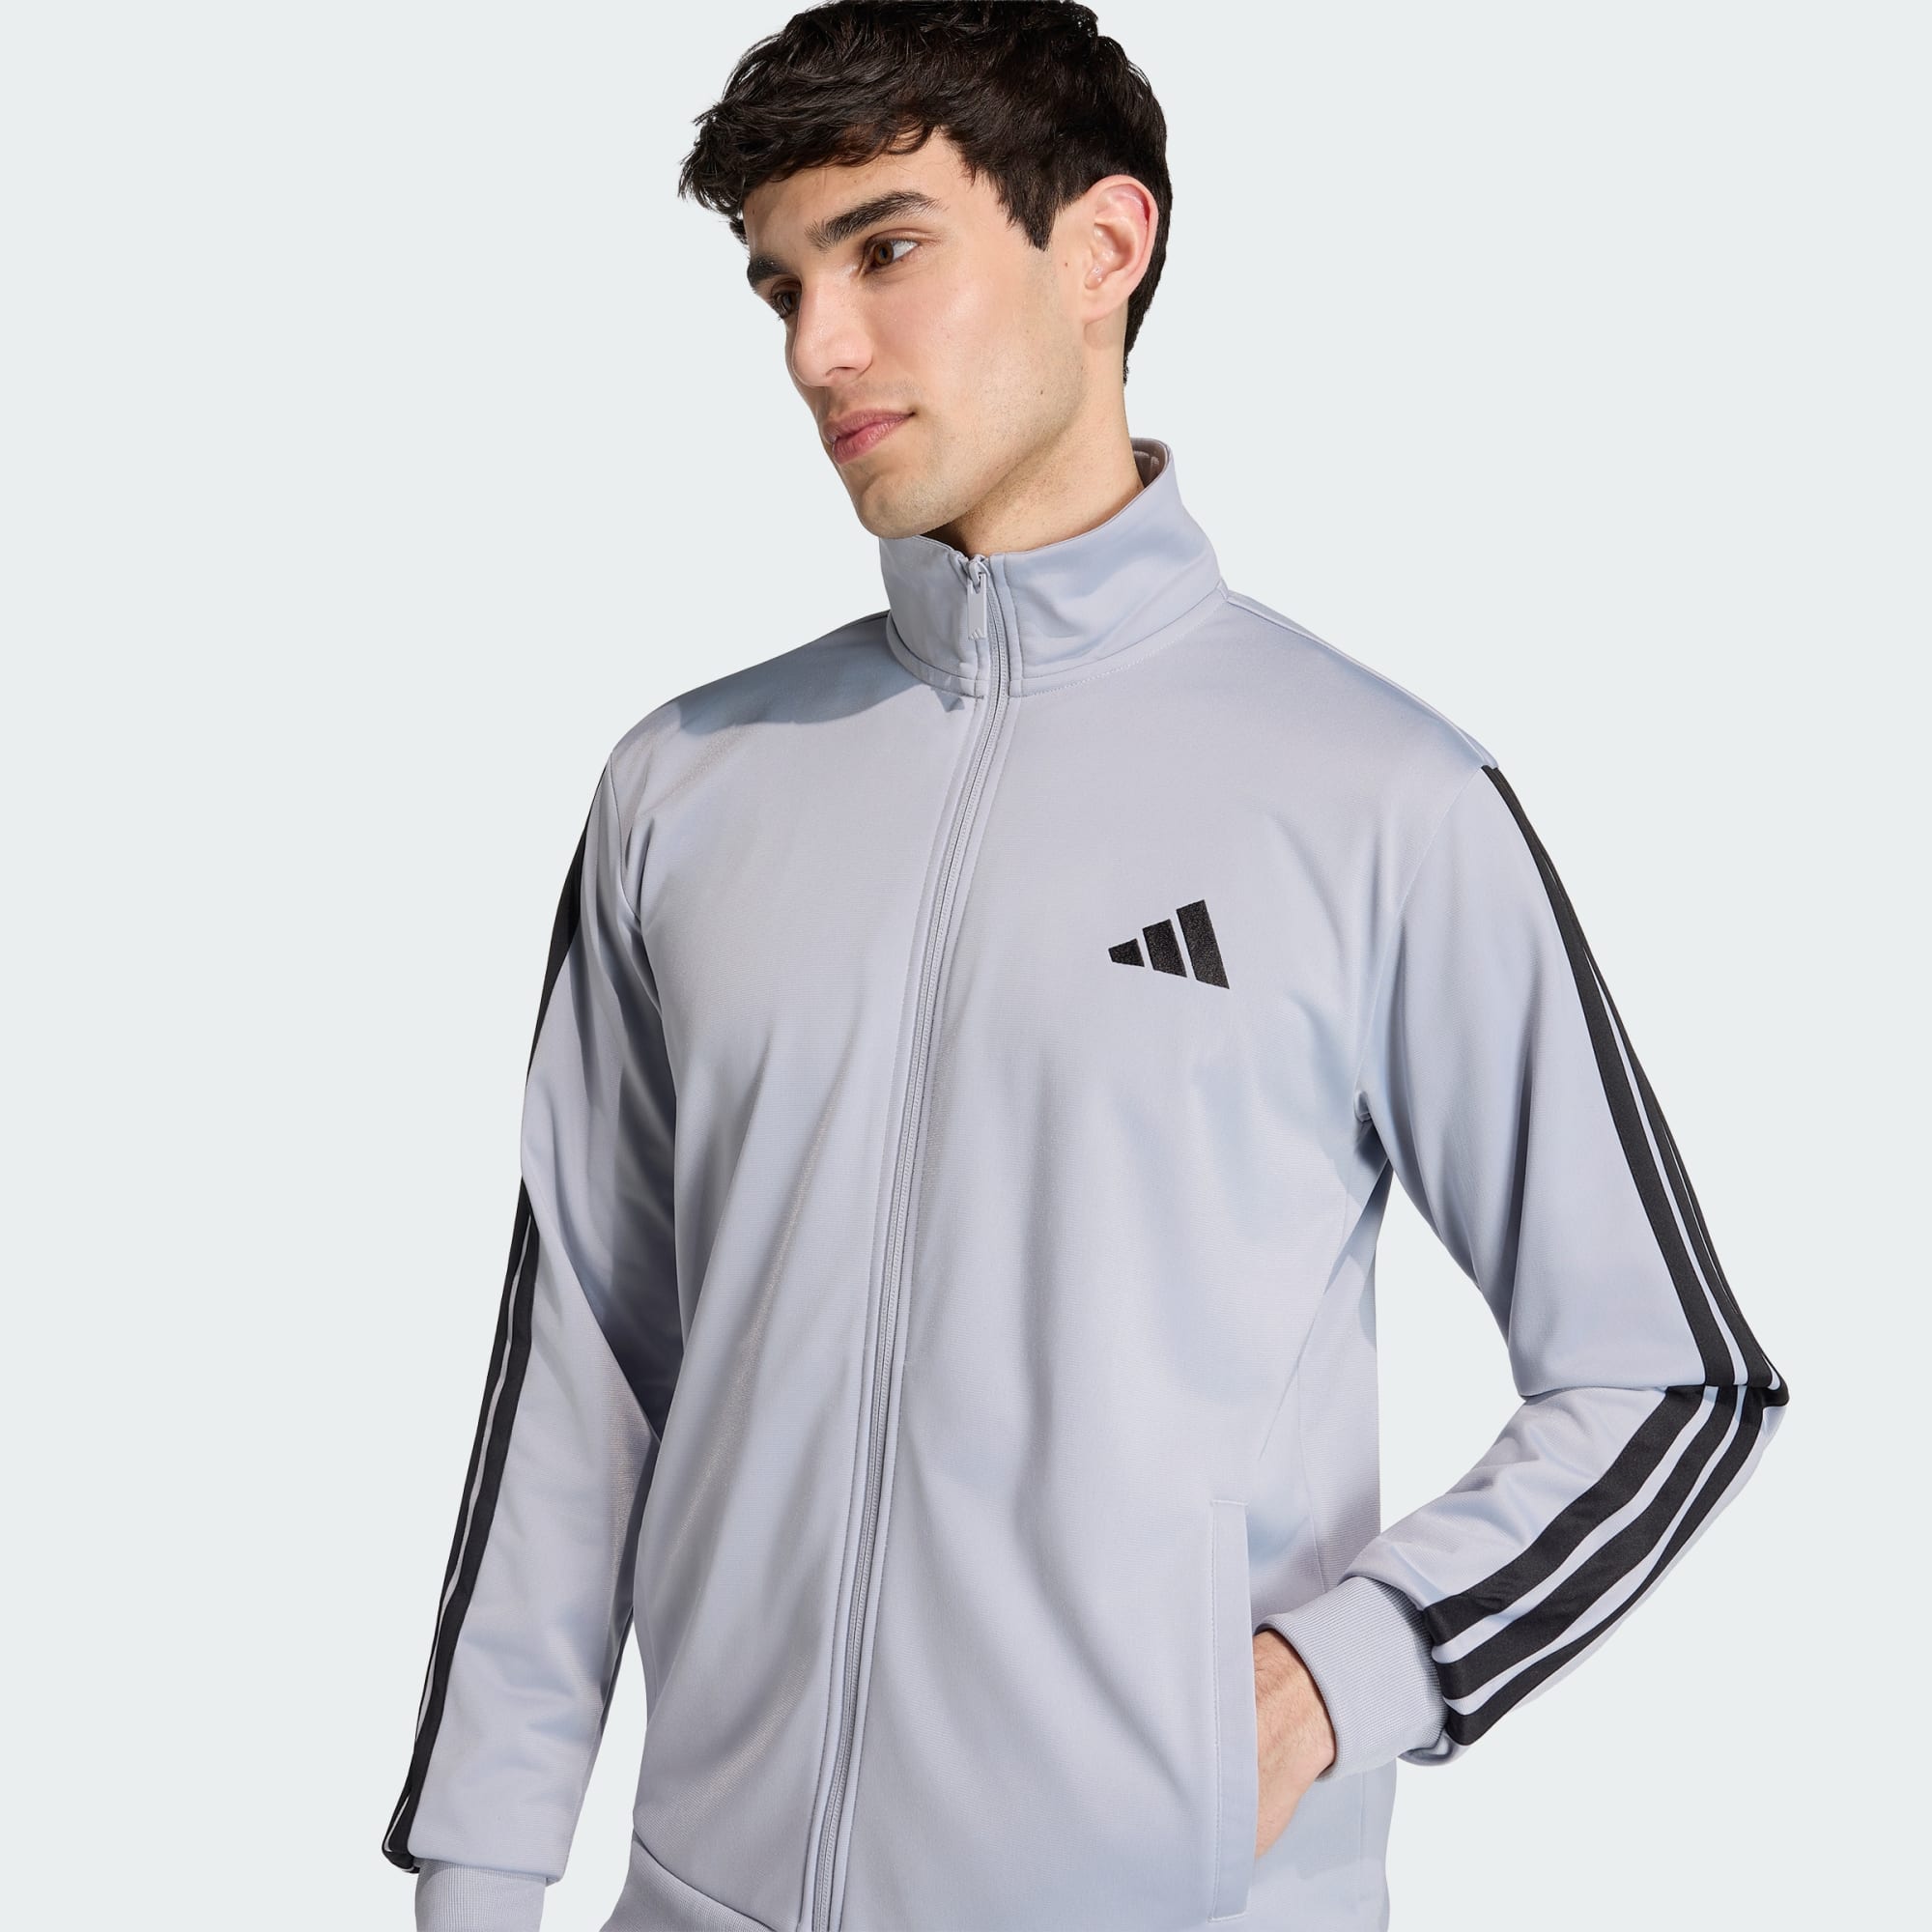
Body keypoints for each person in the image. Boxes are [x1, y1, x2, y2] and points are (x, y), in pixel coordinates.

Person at [380, 6, 1790, 1928]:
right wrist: (479, 1873)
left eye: (884, 250)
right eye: (780, 286)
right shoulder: (688, 782)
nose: (817, 348)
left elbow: (1670, 1377)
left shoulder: (1375, 797)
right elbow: (584, 1372)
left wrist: (1330, 1685)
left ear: (1103, 245)